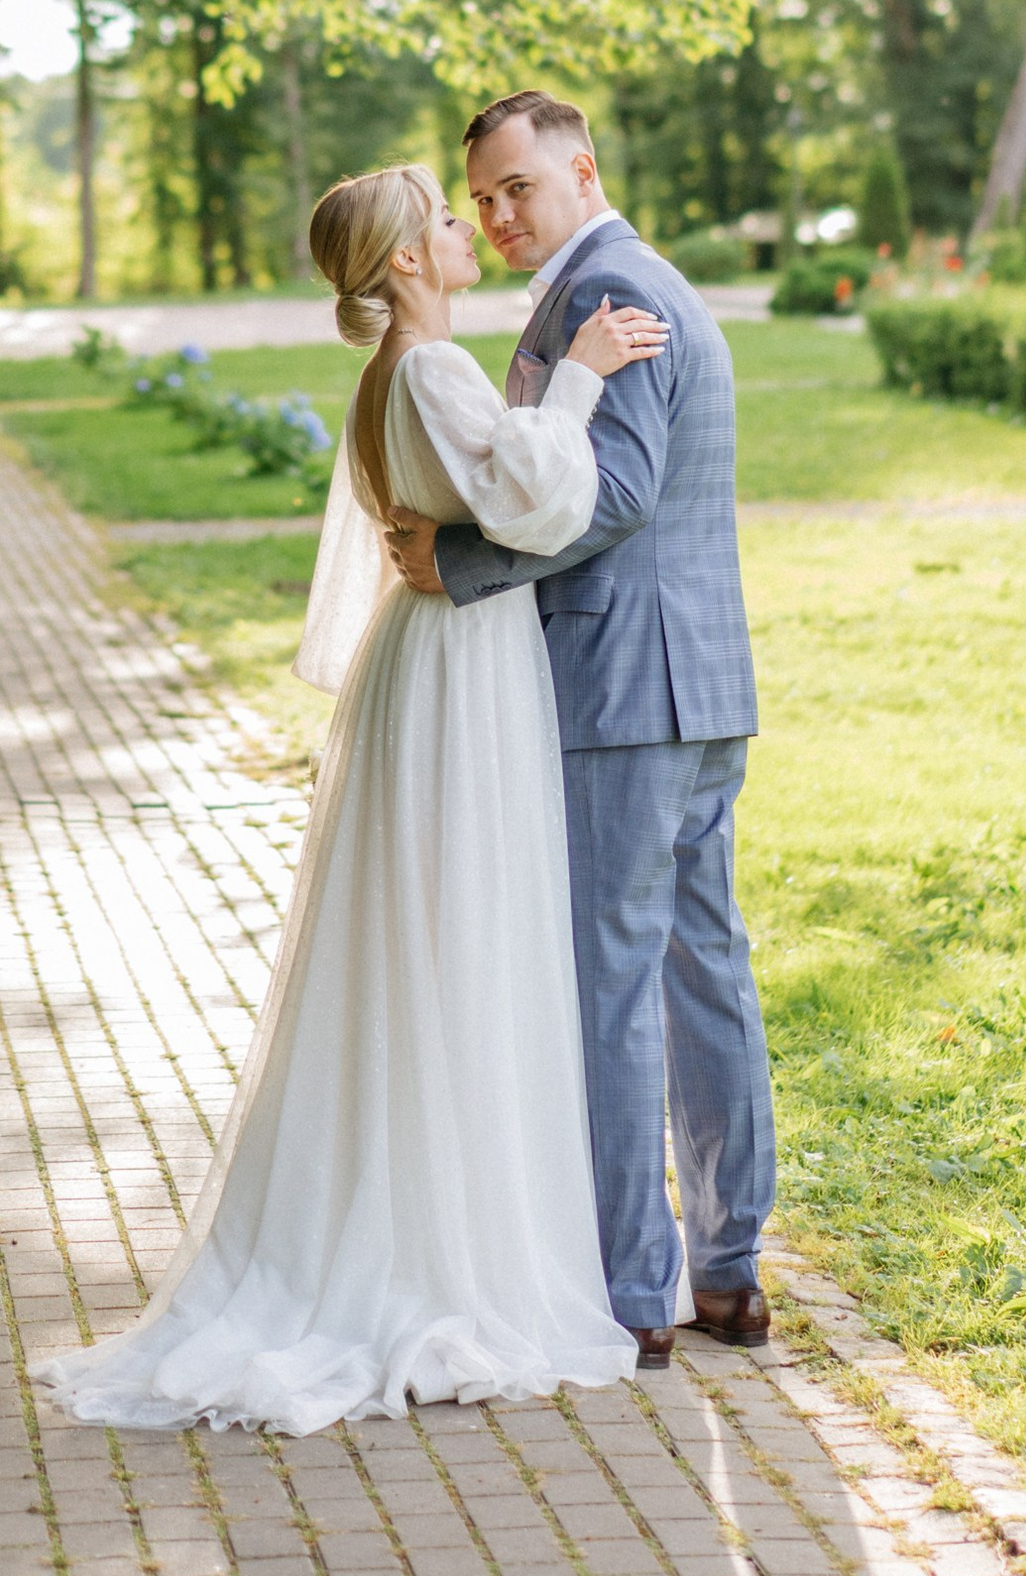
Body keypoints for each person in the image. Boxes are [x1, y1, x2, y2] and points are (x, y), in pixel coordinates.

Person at [34, 161, 667, 1434]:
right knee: (461, 937)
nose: (461, 227)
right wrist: (584, 375)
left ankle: (419, 1212)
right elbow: (539, 504)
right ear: (402, 265)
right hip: (460, 672)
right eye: (444, 215)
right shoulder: (427, 369)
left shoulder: (393, 375)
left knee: (429, 939)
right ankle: (442, 1256)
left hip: (431, 662)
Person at [380, 89, 776, 1367]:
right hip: (694, 687)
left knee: (612, 986)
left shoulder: (609, 296)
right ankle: (726, 1273)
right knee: (700, 965)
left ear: (581, 168)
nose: (496, 215)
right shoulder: (612, 284)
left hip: (627, 693)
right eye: (480, 196)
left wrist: (461, 561)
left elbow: (611, 492)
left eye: (516, 189)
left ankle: (629, 1287)